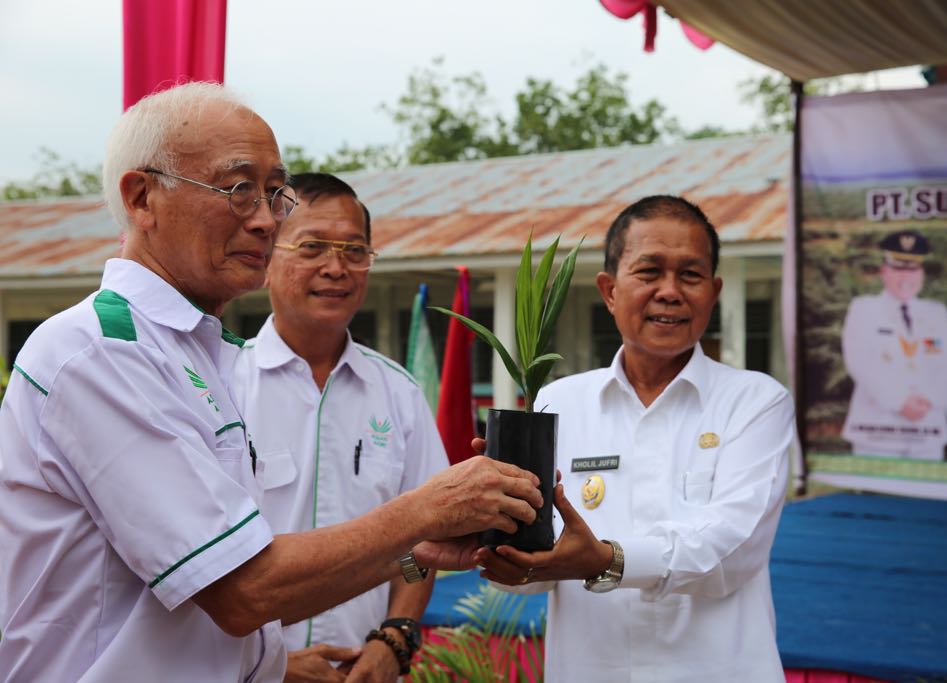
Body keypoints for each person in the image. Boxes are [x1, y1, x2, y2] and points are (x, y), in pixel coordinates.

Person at [0, 82, 542, 682]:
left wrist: (400, 608)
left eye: (273, 193)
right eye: (237, 190)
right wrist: (424, 514)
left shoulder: (204, 356)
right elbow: (243, 590)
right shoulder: (101, 352)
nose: (264, 220)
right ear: (141, 197)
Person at [477, 195, 796, 682]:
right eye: (649, 272)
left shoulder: (754, 402)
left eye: (689, 275)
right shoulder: (555, 405)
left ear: (713, 292)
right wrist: (500, 538)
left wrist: (608, 560)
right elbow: (529, 579)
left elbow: (735, 548)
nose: (669, 292)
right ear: (608, 290)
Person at [232, 173, 448, 681]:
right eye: (312, 247)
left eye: (355, 251)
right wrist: (270, 665)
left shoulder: (399, 394)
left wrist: (394, 640)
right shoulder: (218, 387)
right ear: (267, 260)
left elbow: (427, 543)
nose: (336, 268)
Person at [840, 230, 947, 459]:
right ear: (884, 272)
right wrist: (899, 402)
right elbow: (859, 363)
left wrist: (926, 400)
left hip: (927, 430)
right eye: (898, 269)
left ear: (921, 274)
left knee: (926, 494)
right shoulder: (864, 309)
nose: (905, 278)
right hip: (876, 432)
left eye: (912, 270)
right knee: (874, 495)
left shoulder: (937, 313)